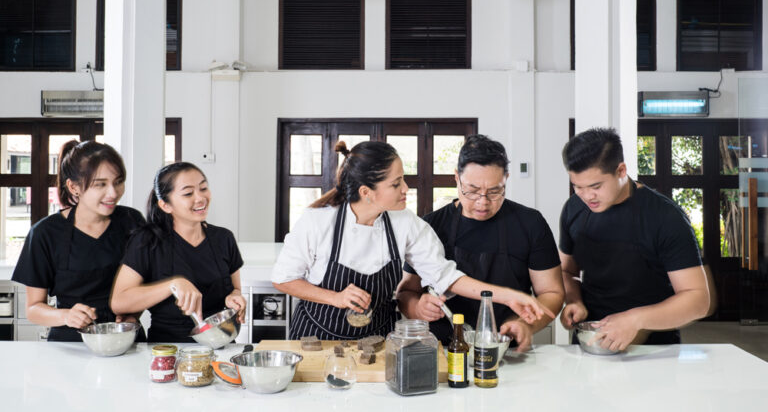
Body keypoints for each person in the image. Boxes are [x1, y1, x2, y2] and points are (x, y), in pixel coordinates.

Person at [272, 140, 553, 340]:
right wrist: (335, 298)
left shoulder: (405, 224)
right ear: (367, 192)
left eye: (403, 179)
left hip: (378, 341)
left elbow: (446, 276)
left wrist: (509, 296)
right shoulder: (317, 222)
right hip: (315, 339)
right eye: (396, 184)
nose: (406, 188)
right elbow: (283, 280)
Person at [396, 135, 564, 350]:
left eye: (494, 191)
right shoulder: (431, 225)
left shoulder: (530, 223)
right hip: (443, 351)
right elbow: (405, 293)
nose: (483, 202)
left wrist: (525, 325)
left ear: (506, 179)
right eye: (472, 191)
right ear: (456, 177)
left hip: (507, 349)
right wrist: (417, 308)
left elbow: (552, 293)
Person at [559, 128, 710, 350]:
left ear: (621, 170)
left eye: (596, 186)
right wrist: (574, 300)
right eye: (577, 186)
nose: (587, 196)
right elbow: (566, 271)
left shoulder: (665, 217)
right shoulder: (574, 209)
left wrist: (635, 320)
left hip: (652, 349)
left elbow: (698, 300)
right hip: (591, 343)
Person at [11, 141, 145, 341]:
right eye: (100, 184)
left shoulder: (132, 221)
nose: (113, 193)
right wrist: (66, 315)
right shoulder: (45, 233)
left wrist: (133, 314)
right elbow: (33, 309)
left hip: (126, 338)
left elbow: (144, 283)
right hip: (70, 343)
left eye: (118, 182)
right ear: (74, 187)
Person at [110, 162, 247, 342]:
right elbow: (119, 302)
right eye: (188, 193)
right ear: (166, 205)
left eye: (203, 188)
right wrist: (173, 285)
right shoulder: (147, 241)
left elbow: (235, 289)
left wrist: (234, 298)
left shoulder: (224, 238)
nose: (200, 198)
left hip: (220, 344)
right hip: (166, 349)